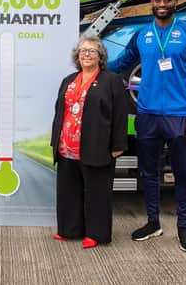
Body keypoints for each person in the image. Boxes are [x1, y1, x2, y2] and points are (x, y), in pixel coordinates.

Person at [108, 0, 186, 253]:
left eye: (167, 0)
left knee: (182, 173)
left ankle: (183, 228)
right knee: (148, 172)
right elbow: (123, 62)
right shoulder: (142, 34)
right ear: (151, 2)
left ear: (176, 1)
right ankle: (153, 222)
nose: (162, 4)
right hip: (147, 114)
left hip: (179, 115)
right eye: (157, 0)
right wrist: (95, 64)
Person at [50, 35, 128, 249]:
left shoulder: (111, 80)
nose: (86, 54)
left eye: (92, 51)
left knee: (98, 193)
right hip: (67, 147)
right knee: (69, 191)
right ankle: (69, 230)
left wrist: (118, 145)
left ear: (100, 56)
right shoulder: (68, 80)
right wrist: (55, 142)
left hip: (97, 146)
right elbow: (59, 112)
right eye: (83, 51)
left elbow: (121, 115)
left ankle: (96, 234)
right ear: (77, 56)